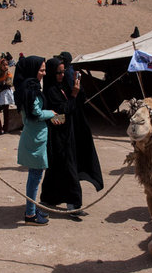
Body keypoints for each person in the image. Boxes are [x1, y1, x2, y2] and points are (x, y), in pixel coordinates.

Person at [40, 58, 103, 217]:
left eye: (63, 72)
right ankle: (73, 205)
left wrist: (77, 89)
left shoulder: (63, 87)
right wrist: (72, 97)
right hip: (58, 136)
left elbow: (77, 105)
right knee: (67, 168)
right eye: (58, 73)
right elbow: (58, 115)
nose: (61, 75)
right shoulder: (49, 91)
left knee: (59, 168)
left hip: (69, 134)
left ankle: (49, 198)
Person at [15, 56, 59, 225]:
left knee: (35, 176)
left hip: (34, 136)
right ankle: (30, 215)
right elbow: (36, 114)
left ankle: (32, 209)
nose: (44, 73)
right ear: (32, 70)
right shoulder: (31, 90)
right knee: (34, 177)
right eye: (41, 70)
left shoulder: (27, 87)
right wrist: (51, 113)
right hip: (35, 138)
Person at [0, 58, 14, 134]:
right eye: (3, 65)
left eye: (6, 65)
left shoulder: (8, 73)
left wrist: (0, 85)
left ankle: (5, 128)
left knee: (6, 112)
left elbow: (9, 84)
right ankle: (0, 127)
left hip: (5, 94)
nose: (5, 66)